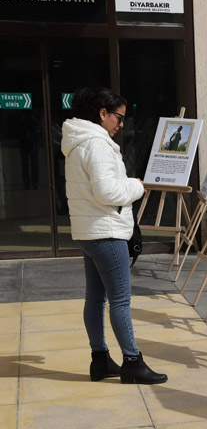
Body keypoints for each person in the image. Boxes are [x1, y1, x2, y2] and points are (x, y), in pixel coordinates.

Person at [62, 87, 167, 384]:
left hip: (90, 231)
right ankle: (132, 362)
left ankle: (101, 361)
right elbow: (107, 191)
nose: (122, 124)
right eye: (118, 117)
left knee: (96, 299)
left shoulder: (77, 142)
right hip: (106, 232)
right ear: (102, 114)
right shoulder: (96, 144)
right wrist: (136, 186)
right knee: (119, 300)